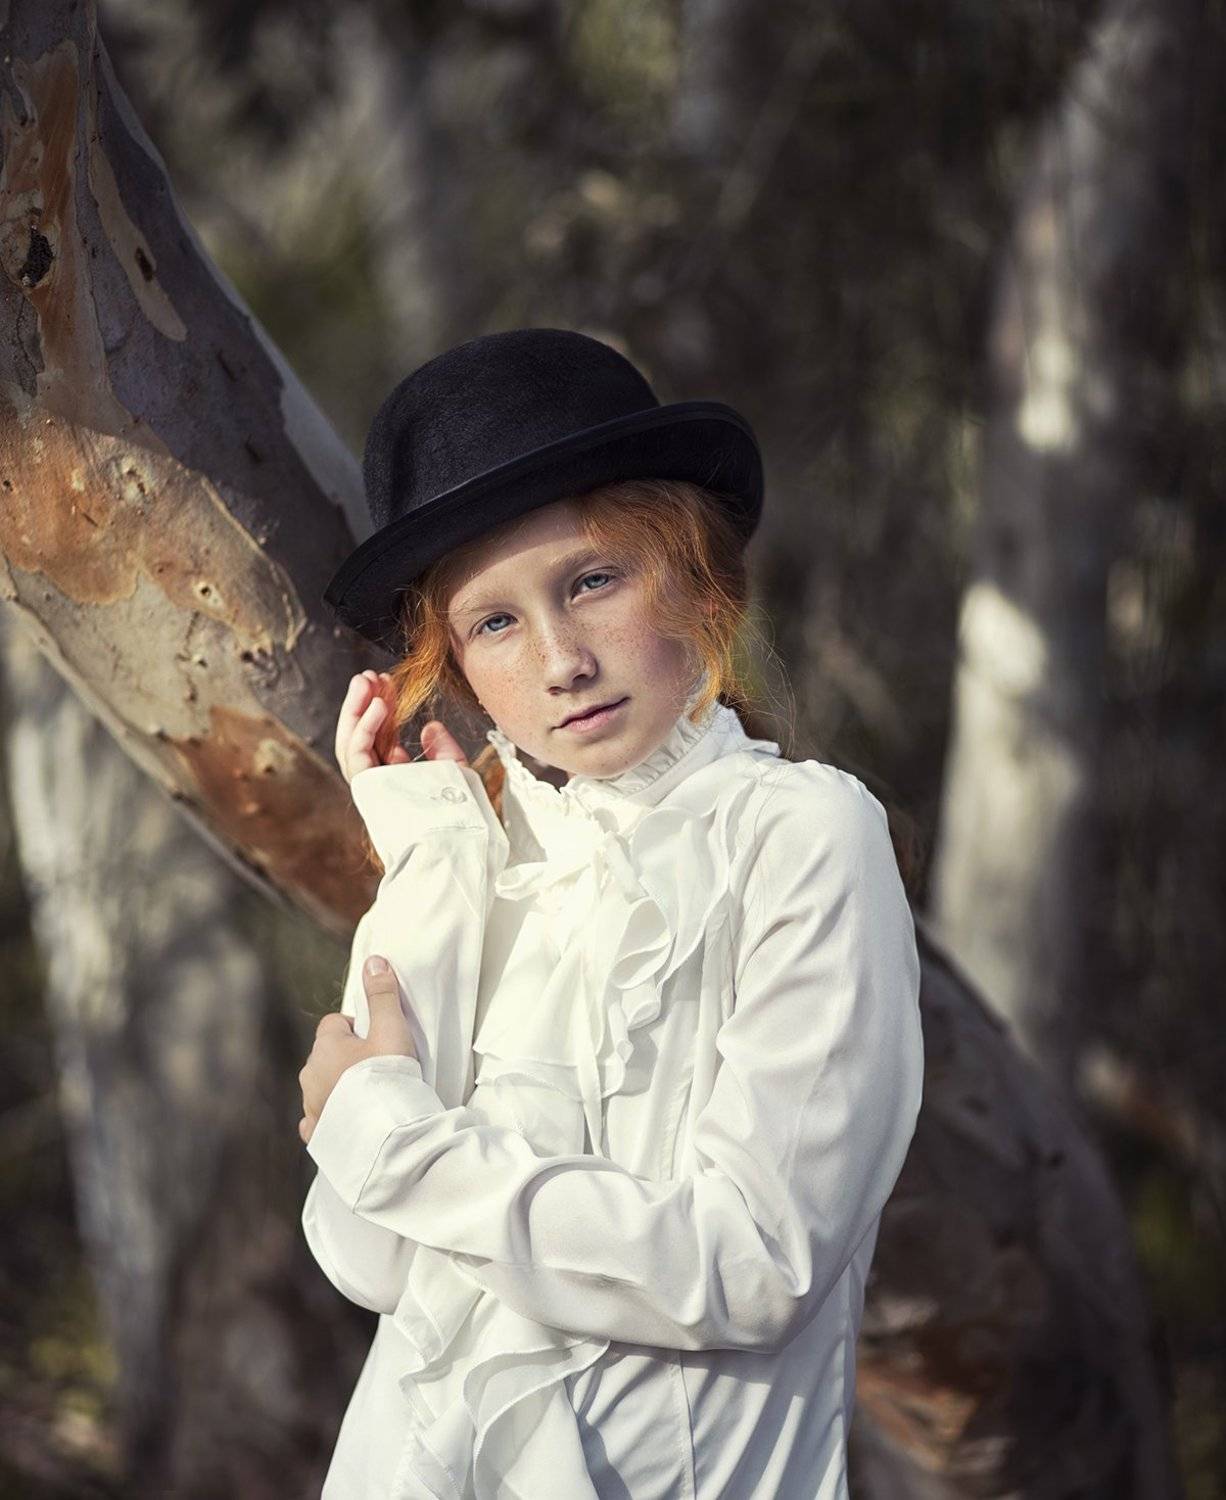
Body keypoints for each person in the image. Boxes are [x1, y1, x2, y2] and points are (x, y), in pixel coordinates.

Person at [296, 328, 924, 1500]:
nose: (560, 662)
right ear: (456, 667)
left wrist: (398, 1141)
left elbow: (755, 1264)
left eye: (590, 582)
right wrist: (429, 863)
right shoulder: (483, 864)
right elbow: (369, 1255)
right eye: (493, 623)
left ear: (692, 577)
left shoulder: (800, 835)